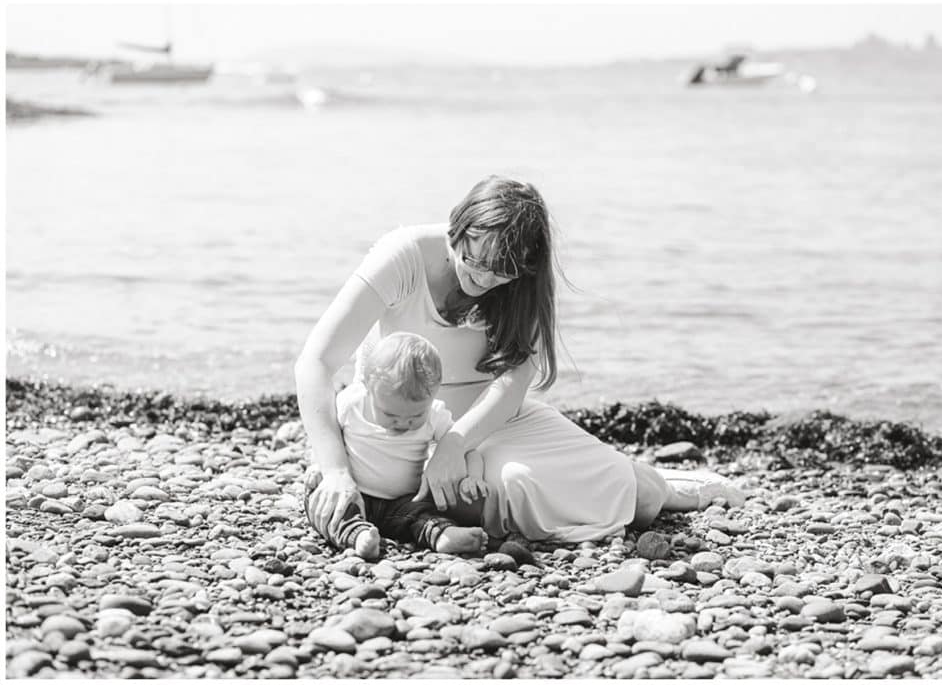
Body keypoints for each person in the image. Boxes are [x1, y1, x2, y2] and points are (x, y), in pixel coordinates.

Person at [296, 175, 744, 547]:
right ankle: (637, 484)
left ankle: (659, 484)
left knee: (642, 500)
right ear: (459, 224)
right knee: (514, 487)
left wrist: (454, 444)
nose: (483, 278)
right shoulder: (404, 255)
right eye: (472, 257)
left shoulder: (521, 287)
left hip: (495, 420)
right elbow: (316, 361)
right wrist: (336, 470)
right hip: (405, 425)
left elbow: (511, 386)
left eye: (501, 270)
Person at [303, 331, 489, 559]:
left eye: (415, 416)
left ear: (434, 394)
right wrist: (318, 468)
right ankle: (358, 535)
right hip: (353, 493)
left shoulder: (435, 414)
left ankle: (442, 535)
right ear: (368, 388)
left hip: (402, 503)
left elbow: (467, 448)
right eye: (390, 414)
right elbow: (326, 434)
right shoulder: (352, 403)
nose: (402, 423)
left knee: (421, 516)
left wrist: (474, 477)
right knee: (327, 506)